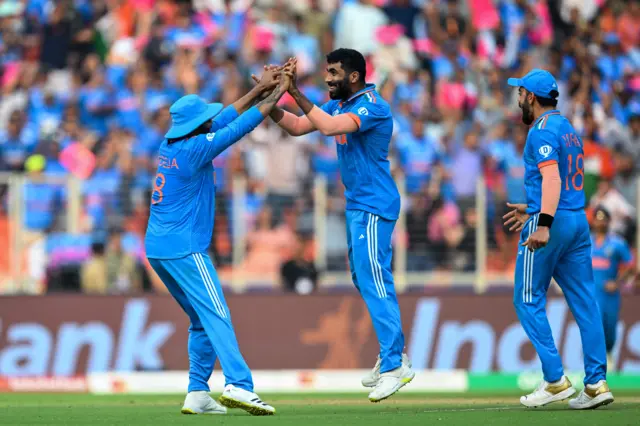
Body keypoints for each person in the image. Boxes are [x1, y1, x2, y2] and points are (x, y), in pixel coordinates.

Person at [254, 49, 414, 402]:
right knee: (363, 278)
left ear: (354, 76)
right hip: (359, 206)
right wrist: (268, 102)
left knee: (374, 279)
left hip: (375, 205)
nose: (327, 78)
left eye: (333, 72)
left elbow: (326, 129)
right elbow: (298, 126)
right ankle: (393, 355)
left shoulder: (371, 105)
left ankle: (394, 364)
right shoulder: (340, 104)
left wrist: (293, 91)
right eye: (326, 72)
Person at [144, 65, 291, 416]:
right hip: (184, 248)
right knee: (217, 314)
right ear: (197, 125)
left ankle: (197, 392)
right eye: (206, 119)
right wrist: (280, 90)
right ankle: (239, 384)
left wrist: (259, 90)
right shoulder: (196, 150)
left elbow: (223, 119)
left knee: (201, 321)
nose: (212, 120)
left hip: (159, 249)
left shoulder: (173, 144)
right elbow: (240, 126)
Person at [503, 69, 613, 409]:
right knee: (585, 301)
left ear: (531, 98)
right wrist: (534, 207)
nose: (518, 98)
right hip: (577, 219)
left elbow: (551, 177)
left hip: (552, 223)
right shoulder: (568, 129)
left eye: (520, 93)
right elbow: (561, 179)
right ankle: (596, 383)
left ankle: (554, 379)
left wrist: (543, 221)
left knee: (527, 299)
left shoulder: (541, 131)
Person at [590, 206, 635, 370]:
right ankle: (596, 364)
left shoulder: (617, 243)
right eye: (597, 219)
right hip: (591, 294)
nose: (600, 222)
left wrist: (617, 282)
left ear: (608, 221)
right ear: (593, 221)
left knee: (609, 328)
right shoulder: (586, 242)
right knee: (594, 328)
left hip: (609, 295)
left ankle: (608, 355)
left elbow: (630, 265)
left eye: (603, 219)